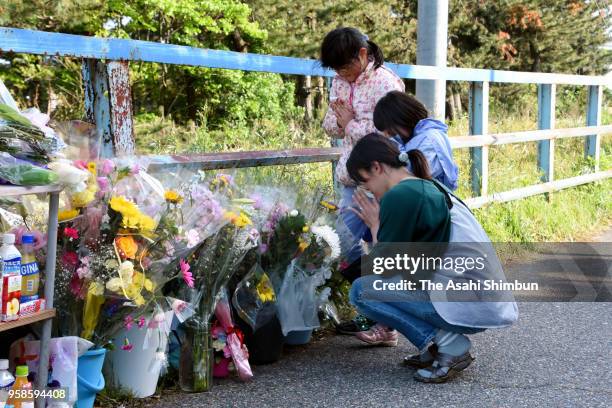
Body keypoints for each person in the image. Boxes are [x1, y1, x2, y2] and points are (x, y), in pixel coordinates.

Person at [345, 134, 518, 383]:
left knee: (362, 291)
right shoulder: (426, 185)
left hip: (469, 302)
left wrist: (374, 225)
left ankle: (451, 345)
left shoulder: (401, 195)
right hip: (485, 301)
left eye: (365, 181)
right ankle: (434, 348)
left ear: (376, 167)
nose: (368, 190)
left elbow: (381, 267)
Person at [320, 27, 405, 335]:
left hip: (377, 180)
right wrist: (343, 121)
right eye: (337, 69)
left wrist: (351, 123)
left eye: (346, 65)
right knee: (346, 246)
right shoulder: (340, 81)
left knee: (374, 247)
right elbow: (330, 126)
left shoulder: (386, 82)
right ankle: (378, 317)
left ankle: (385, 322)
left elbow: (389, 134)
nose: (342, 73)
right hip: (349, 178)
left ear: (363, 54)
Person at [373, 91, 459, 191]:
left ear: (402, 119)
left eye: (390, 130)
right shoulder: (413, 137)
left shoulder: (429, 140)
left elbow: (410, 179)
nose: (388, 135)